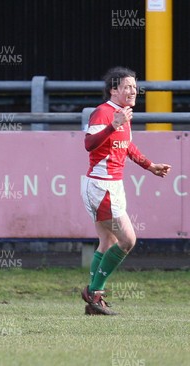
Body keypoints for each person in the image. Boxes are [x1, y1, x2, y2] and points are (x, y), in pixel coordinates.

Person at [81, 67, 171, 315]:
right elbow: (88, 144)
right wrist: (112, 125)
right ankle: (93, 292)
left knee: (107, 241)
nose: (133, 91)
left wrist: (149, 166)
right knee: (128, 240)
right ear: (113, 89)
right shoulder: (103, 113)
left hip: (110, 184)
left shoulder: (123, 114)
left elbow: (126, 145)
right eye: (127, 87)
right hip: (102, 185)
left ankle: (95, 298)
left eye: (134, 87)